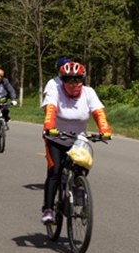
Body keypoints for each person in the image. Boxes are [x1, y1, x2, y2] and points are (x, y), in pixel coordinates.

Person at [41, 61, 112, 224]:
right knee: (55, 171)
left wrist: (105, 130)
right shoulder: (55, 91)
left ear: (83, 80)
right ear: (62, 80)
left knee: (82, 164)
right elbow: (50, 110)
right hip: (55, 138)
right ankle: (48, 210)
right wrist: (49, 127)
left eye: (77, 80)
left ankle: (78, 189)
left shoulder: (89, 92)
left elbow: (98, 112)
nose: (73, 84)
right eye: (68, 80)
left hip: (78, 139)